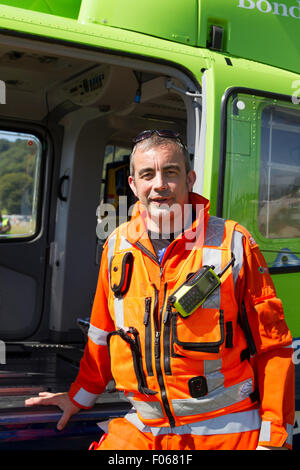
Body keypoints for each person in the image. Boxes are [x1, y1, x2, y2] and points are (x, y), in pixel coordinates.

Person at [25, 130, 295, 450]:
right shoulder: (116, 245)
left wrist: (274, 438)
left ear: (189, 178)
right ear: (133, 184)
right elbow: (102, 334)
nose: (159, 185)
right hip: (145, 429)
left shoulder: (233, 242)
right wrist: (78, 397)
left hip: (226, 428)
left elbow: (273, 349)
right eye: (148, 174)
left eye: (171, 172)